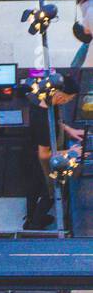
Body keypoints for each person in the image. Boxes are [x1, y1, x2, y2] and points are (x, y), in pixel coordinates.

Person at [25, 73, 84, 231]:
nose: (68, 101)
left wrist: (69, 130)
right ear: (59, 96)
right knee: (49, 191)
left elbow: (57, 120)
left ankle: (30, 216)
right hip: (43, 161)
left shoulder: (42, 96)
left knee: (33, 187)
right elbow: (44, 155)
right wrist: (70, 152)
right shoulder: (43, 121)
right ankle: (35, 224)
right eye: (68, 99)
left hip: (34, 148)